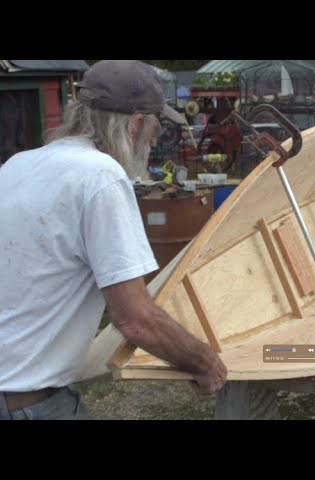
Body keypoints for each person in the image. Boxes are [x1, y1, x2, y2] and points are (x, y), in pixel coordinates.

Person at [0, 60, 227, 420]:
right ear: (135, 125)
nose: (152, 140)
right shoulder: (100, 176)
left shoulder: (18, 165)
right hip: (28, 405)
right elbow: (136, 319)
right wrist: (205, 362)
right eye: (152, 127)